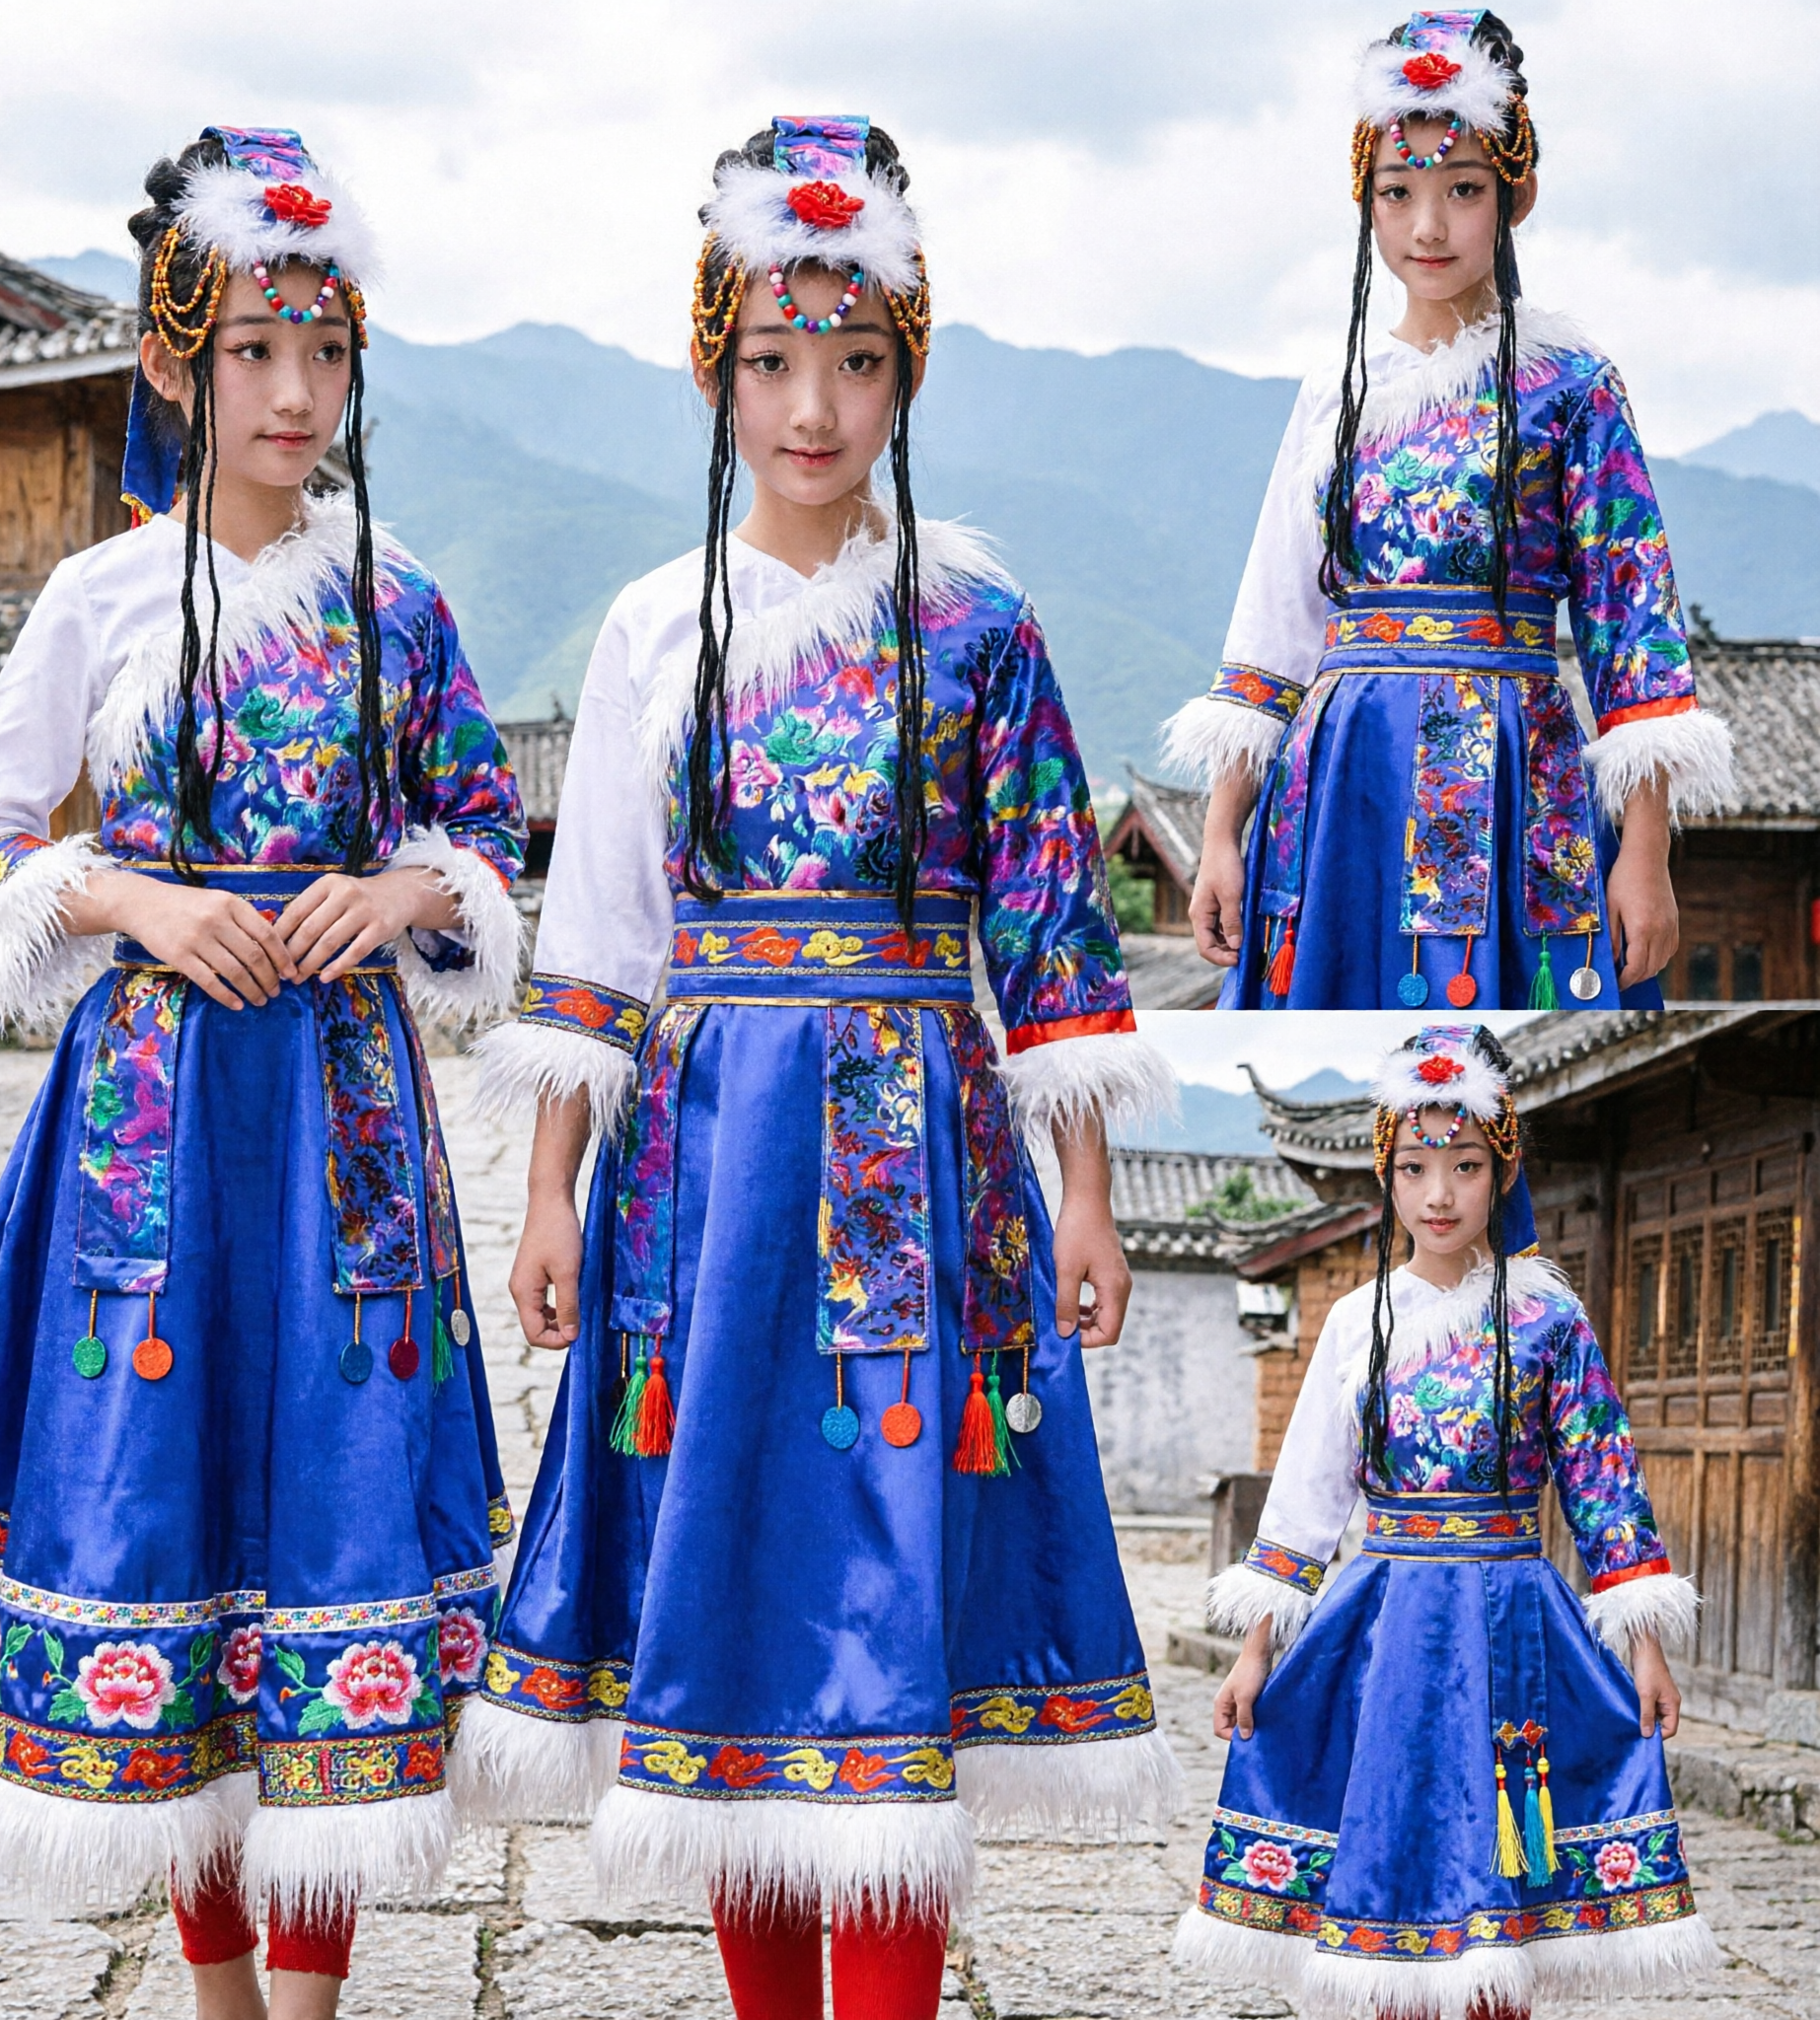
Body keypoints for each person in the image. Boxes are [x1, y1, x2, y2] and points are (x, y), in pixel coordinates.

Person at [465, 114, 1179, 2020]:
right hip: (702, 1185)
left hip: (917, 1178)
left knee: (891, 1642)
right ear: (716, 365)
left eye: (855, 361)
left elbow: (1047, 931)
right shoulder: (649, 627)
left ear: (905, 370)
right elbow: (601, 937)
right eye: (773, 360)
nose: (813, 406)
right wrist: (547, 1185)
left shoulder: (981, 630)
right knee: (737, 1623)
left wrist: (1090, 1192)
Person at [0, 126, 527, 2019]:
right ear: (175, 361)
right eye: (253, 351)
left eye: (325, 350)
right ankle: (221, 2002)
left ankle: (303, 2003)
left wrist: (399, 889)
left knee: (331, 1542)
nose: (296, 391)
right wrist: (130, 895)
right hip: (148, 1124)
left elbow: (491, 846)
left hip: (344, 1125)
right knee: (176, 1534)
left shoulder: (403, 609)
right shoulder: (94, 601)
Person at [1167, 10, 1733, 1012]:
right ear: (1366, 202)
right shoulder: (1332, 393)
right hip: (1339, 779)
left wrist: (1644, 853)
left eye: (1461, 190)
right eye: (1398, 193)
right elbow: (1272, 627)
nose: (1427, 226)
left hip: (1514, 783)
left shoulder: (1569, 388)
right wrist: (1219, 831)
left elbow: (1631, 634)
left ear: (1513, 195)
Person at [1173, 1025, 1719, 2018]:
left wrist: (1643, 1643)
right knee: (1391, 1875)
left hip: (1511, 1620)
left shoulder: (1547, 1317)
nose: (1437, 1193)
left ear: (1499, 1170)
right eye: (1413, 1165)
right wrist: (1254, 1648)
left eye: (1463, 1165)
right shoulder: (1355, 1319)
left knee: (1500, 1892)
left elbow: (1602, 1482)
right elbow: (1307, 1494)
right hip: (1384, 1625)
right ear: (1383, 1174)